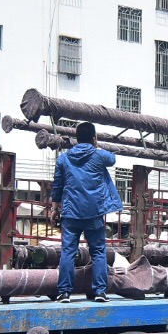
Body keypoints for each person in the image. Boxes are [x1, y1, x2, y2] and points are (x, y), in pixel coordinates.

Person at [50, 121, 122, 302]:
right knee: (98, 251)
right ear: (93, 139)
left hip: (70, 213)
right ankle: (100, 292)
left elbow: (57, 186)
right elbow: (112, 158)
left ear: (76, 139)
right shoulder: (98, 156)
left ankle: (64, 292)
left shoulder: (64, 159)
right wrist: (96, 147)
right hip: (94, 213)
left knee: (68, 251)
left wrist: (54, 209)